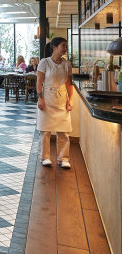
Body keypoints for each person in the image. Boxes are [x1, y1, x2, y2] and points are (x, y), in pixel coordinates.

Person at [37, 37, 73, 169]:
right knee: (45, 130)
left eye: (66, 46)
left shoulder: (67, 64)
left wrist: (71, 100)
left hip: (62, 98)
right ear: (54, 47)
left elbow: (69, 84)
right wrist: (40, 98)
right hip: (47, 98)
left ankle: (63, 158)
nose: (65, 48)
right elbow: (39, 82)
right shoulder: (44, 62)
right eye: (63, 46)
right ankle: (44, 157)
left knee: (64, 131)